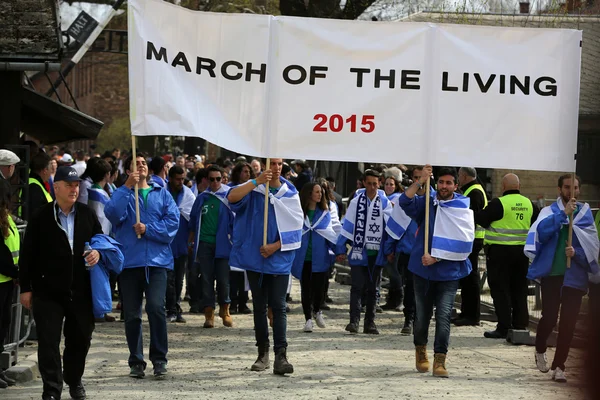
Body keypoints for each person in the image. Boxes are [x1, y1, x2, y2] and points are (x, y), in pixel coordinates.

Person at [19, 166, 106, 400]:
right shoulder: (40, 216)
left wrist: (97, 252)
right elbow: (28, 255)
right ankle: (52, 390)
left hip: (80, 289)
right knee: (48, 342)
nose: (74, 189)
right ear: (56, 187)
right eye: (69, 185)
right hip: (47, 291)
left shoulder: (87, 214)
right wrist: (26, 288)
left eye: (76, 185)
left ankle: (74, 379)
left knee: (80, 339)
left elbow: (101, 242)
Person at [105, 153, 180, 379]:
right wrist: (126, 187)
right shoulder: (123, 194)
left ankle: (159, 359)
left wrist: (149, 229)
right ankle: (136, 361)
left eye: (144, 163)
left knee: (156, 308)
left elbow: (172, 224)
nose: (141, 166)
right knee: (132, 314)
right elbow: (112, 214)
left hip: (157, 263)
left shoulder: (162, 194)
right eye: (135, 164)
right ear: (128, 170)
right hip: (129, 263)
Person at [227, 158, 303, 375]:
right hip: (255, 259)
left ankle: (282, 356)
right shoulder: (254, 189)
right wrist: (255, 181)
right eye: (273, 163)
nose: (277, 168)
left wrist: (276, 246)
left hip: (279, 258)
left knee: (278, 307)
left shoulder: (290, 193)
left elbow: (297, 227)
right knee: (259, 307)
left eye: (280, 164)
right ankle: (263, 353)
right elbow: (231, 197)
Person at [396, 165, 474, 378]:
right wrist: (420, 180)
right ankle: (420, 350)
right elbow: (404, 201)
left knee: (443, 316)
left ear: (456, 185)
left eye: (449, 183)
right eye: (441, 182)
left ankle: (440, 359)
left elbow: (464, 242)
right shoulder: (428, 202)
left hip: (448, 272)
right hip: (422, 271)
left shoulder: (461, 207)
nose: (444, 186)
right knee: (422, 316)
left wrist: (437, 257)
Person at [526, 175, 599, 383]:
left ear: (580, 190)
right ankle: (540, 347)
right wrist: (562, 216)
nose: (571, 192)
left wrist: (576, 254)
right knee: (549, 317)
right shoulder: (549, 212)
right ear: (560, 189)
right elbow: (541, 232)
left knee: (568, 323)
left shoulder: (585, 215)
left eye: (575, 187)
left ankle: (560, 366)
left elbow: (593, 250)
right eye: (567, 187)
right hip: (553, 275)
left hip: (575, 277)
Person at [476, 173, 538, 339]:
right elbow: (536, 224)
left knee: (500, 290)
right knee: (520, 289)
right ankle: (520, 324)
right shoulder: (529, 204)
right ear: (519, 186)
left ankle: (503, 327)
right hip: (522, 253)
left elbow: (481, 219)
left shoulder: (499, 203)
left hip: (499, 253)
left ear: (503, 187)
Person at [336, 169, 393, 335]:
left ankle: (370, 322)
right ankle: (353, 321)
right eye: (369, 184)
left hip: (377, 253)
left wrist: (389, 249)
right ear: (364, 183)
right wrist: (340, 248)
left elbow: (390, 228)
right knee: (357, 287)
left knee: (373, 289)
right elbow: (348, 225)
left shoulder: (384, 201)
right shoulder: (356, 201)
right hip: (359, 251)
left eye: (375, 184)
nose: (372, 187)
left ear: (379, 183)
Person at [189, 165, 235, 328]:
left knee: (223, 280)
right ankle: (209, 313)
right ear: (206, 180)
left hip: (223, 244)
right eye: (212, 179)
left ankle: (225, 309)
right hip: (204, 244)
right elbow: (194, 220)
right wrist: (191, 240)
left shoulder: (229, 195)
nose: (215, 182)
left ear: (223, 178)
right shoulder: (202, 198)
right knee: (207, 280)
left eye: (218, 179)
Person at [292, 182, 339, 332]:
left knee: (319, 289)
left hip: (320, 256)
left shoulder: (324, 213)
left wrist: (339, 251)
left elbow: (329, 233)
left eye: (321, 192)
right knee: (306, 288)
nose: (320, 194)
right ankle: (308, 319)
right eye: (317, 192)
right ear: (309, 194)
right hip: (304, 256)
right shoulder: (300, 213)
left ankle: (317, 310)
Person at [454, 167, 488, 326]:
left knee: (471, 279)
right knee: (467, 278)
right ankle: (465, 313)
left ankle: (472, 316)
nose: (458, 179)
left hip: (472, 240)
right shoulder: (471, 190)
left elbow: (471, 218)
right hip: (470, 240)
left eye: (459, 176)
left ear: (465, 176)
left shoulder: (474, 192)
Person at [166, 166, 195, 323]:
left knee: (179, 278)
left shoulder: (188, 195)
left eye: (182, 179)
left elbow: (193, 218)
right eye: (178, 179)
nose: (180, 182)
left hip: (182, 241)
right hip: (165, 243)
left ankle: (176, 307)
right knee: (168, 277)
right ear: (170, 178)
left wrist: (191, 240)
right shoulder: (162, 193)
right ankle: (170, 308)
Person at [229, 162, 255, 314]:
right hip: (235, 235)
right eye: (243, 171)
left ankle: (243, 302)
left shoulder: (254, 190)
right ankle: (233, 301)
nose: (246, 174)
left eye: (248, 171)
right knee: (234, 272)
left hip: (247, 235)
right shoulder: (232, 190)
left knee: (246, 272)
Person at [0, 182, 18, 389]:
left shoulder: (7, 219)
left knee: (3, 326)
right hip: (4, 278)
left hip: (7, 281)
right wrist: (17, 272)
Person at [27, 151, 53, 219]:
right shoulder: (34, 187)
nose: (51, 172)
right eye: (51, 168)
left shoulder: (37, 184)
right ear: (45, 170)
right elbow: (36, 216)